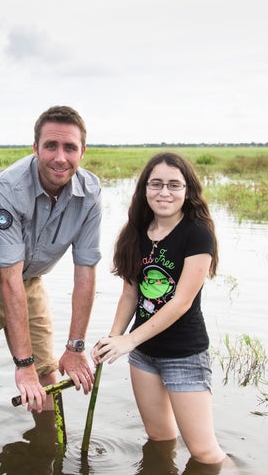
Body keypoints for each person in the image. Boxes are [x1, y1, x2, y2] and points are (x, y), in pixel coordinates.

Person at [0, 105, 102, 413]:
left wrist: (75, 347)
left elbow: (85, 271)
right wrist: (22, 364)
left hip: (31, 281)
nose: (60, 157)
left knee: (46, 372)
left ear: (83, 151)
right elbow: (9, 278)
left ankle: (49, 448)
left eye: (70, 148)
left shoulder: (90, 192)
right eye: (51, 146)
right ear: (35, 147)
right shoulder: (10, 188)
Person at [91, 152, 227, 468]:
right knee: (160, 439)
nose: (164, 192)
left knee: (204, 453)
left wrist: (130, 340)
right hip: (144, 356)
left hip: (184, 355)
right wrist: (114, 338)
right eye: (156, 184)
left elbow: (181, 302)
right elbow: (130, 293)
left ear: (188, 191)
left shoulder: (197, 233)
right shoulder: (136, 231)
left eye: (173, 185)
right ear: (144, 189)